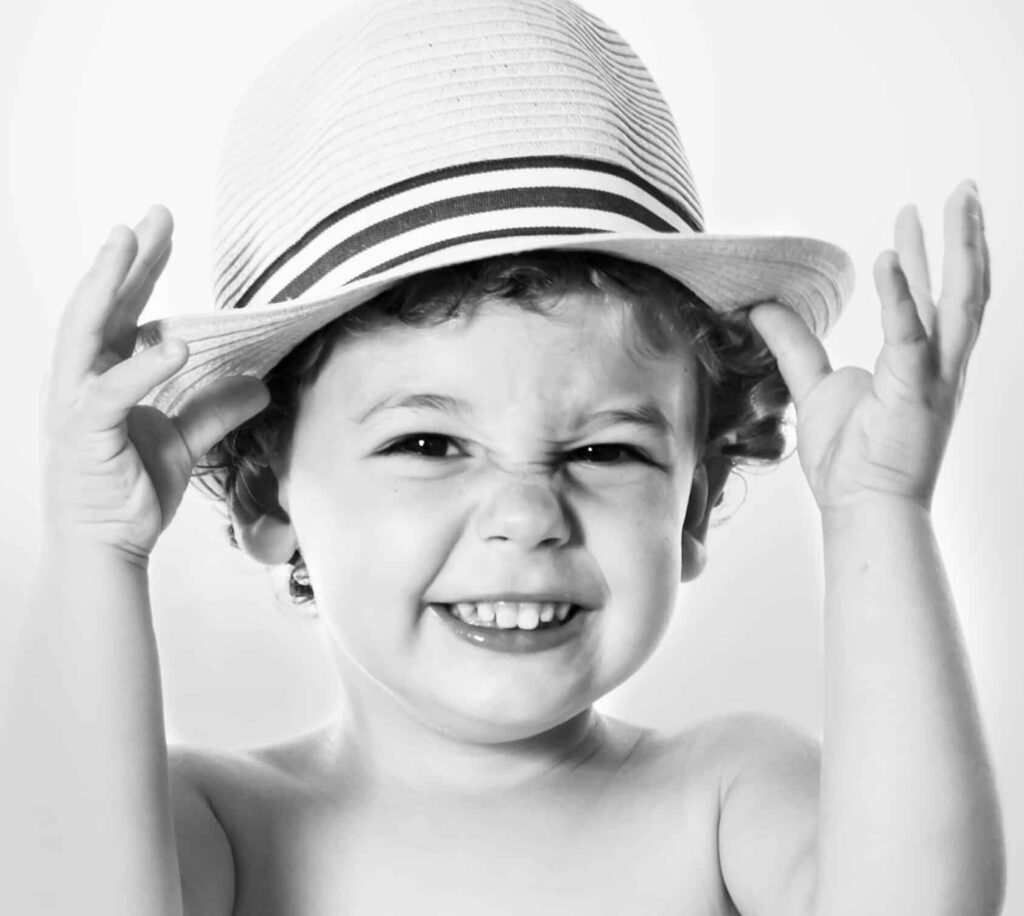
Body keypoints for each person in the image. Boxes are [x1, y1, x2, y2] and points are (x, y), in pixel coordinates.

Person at [7, 0, 1005, 913]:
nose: (528, 513)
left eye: (605, 449)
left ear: (692, 506)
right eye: (430, 441)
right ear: (269, 493)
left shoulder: (727, 796)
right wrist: (97, 547)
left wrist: (879, 508)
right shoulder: (216, 825)